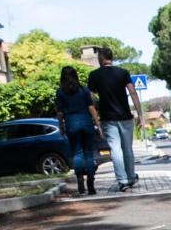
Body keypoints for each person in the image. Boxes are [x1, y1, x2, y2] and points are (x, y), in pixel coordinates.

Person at [86, 46, 143, 192]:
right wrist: (140, 114)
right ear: (111, 58)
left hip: (107, 118)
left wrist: (96, 117)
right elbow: (133, 92)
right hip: (125, 116)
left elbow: (90, 98)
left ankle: (122, 181)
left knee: (115, 149)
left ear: (101, 58)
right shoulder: (123, 73)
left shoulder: (94, 75)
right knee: (127, 148)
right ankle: (131, 177)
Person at [55, 66, 100, 196]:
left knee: (77, 153)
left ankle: (80, 180)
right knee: (89, 154)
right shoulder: (84, 90)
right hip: (85, 121)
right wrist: (97, 124)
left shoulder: (60, 92)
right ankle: (90, 183)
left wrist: (61, 127)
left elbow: (59, 112)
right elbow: (91, 108)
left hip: (71, 122)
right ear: (75, 76)